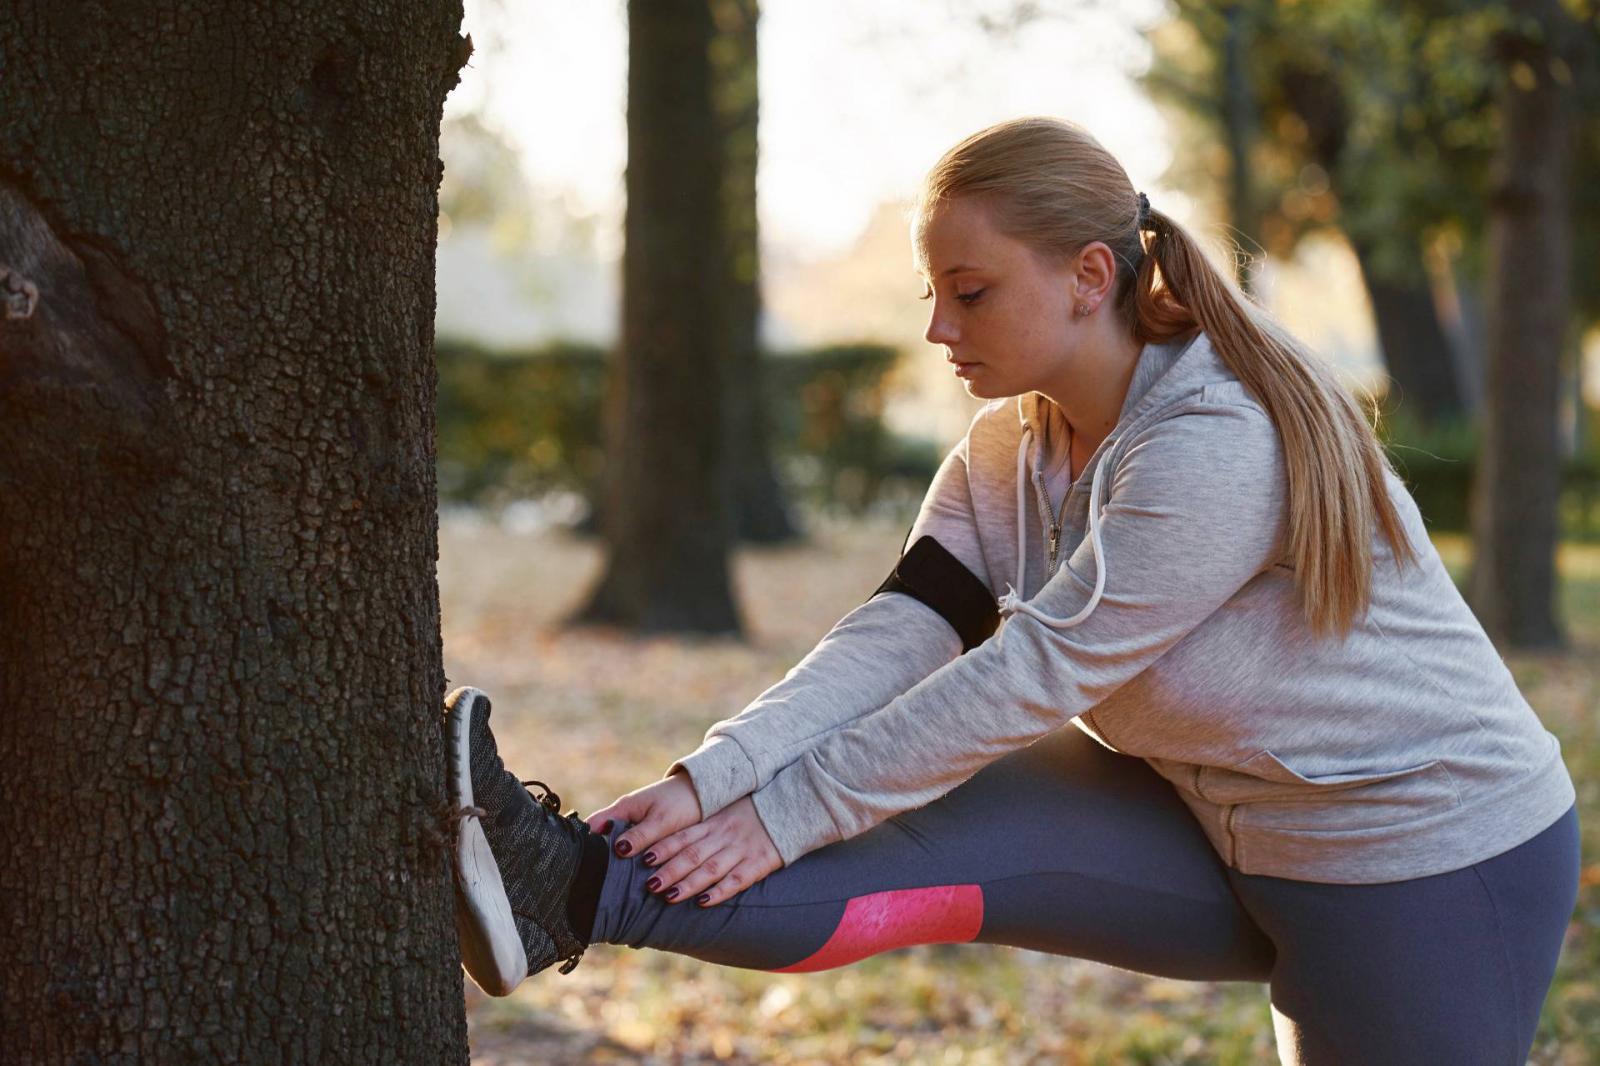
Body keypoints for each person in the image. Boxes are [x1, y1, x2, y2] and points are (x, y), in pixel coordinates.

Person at [444, 117, 1580, 1065]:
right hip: (1211, 818)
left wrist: (786, 811)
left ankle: (580, 886)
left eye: (970, 291)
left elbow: (1036, 672)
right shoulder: (1010, 450)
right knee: (901, 820)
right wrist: (717, 777)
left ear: (1090, 276)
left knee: (828, 809)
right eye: (933, 291)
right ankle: (568, 888)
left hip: (1421, 854)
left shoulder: (1213, 439)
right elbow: (906, 626)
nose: (938, 327)